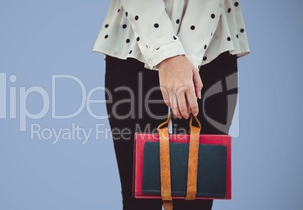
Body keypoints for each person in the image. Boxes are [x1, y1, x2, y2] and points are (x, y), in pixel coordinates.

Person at [92, 0, 250, 210]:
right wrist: (167, 54)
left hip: (214, 45)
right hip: (134, 41)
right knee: (139, 200)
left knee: (198, 197)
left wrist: (184, 61)